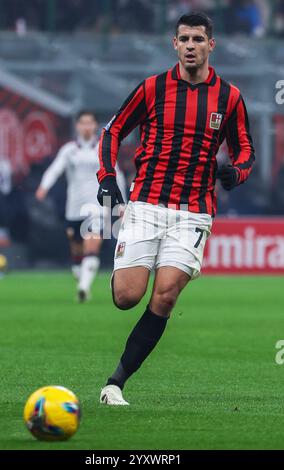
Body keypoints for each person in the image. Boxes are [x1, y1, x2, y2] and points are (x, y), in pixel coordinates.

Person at [96, 11, 255, 405]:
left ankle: (115, 383)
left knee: (165, 295)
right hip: (146, 202)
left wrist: (236, 172)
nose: (190, 46)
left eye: (198, 39)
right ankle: (122, 272)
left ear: (210, 45)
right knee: (126, 298)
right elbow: (113, 130)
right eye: (183, 39)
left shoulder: (229, 97)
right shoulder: (151, 88)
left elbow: (246, 149)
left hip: (194, 212)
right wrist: (106, 178)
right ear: (174, 43)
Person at [36, 110, 127, 302]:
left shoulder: (102, 148)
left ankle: (83, 288)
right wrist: (43, 187)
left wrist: (121, 203)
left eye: (89, 123)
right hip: (74, 207)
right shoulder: (69, 150)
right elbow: (55, 169)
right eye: (83, 123)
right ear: (77, 126)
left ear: (95, 126)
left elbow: (117, 175)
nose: (86, 127)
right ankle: (81, 280)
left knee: (92, 245)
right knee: (77, 252)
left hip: (97, 205)